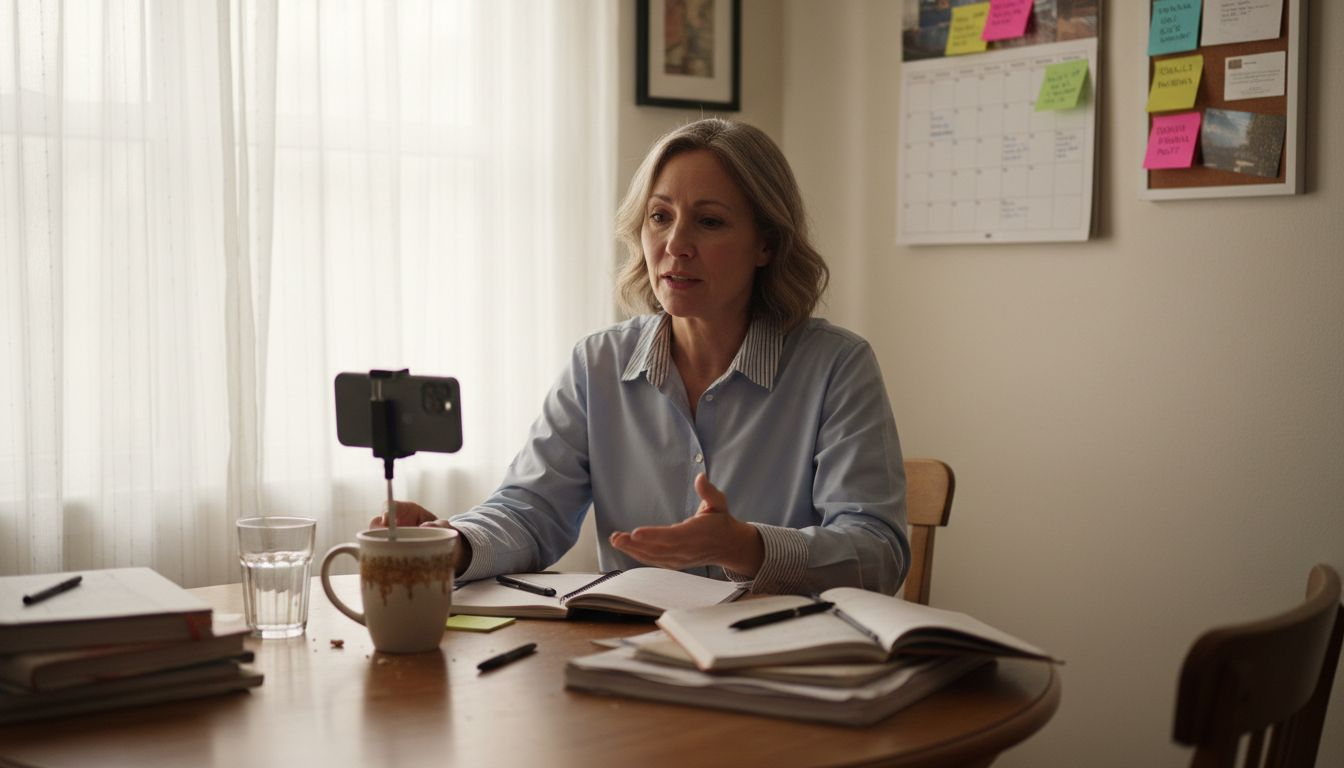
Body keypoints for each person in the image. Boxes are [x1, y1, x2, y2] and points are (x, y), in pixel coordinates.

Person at [374, 118, 909, 595]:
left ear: (765, 245)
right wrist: (453, 543)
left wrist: (745, 546)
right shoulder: (598, 364)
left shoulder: (837, 366)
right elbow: (529, 511)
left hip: (783, 665)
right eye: (660, 216)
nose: (676, 244)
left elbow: (877, 554)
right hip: (632, 656)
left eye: (710, 221)